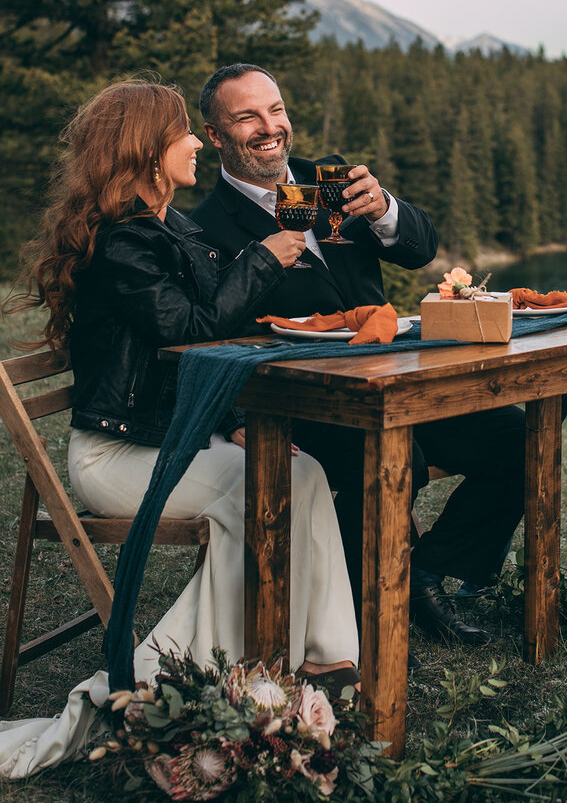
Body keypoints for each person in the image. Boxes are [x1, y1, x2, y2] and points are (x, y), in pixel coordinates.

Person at [0, 80, 359, 776]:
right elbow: (187, 331)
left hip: (176, 440)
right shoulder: (124, 243)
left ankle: (323, 660)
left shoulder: (172, 229)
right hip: (118, 457)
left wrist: (230, 426)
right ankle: (162, 688)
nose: (198, 142)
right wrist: (266, 257)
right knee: (263, 493)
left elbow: (196, 352)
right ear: (151, 150)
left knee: (299, 471)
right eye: (186, 132)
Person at [191, 64, 561, 648]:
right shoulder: (203, 226)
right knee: (395, 456)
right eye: (248, 117)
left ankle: (426, 572)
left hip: (403, 378)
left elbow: (423, 247)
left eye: (277, 110)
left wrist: (386, 208)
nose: (270, 127)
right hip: (312, 403)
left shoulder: (332, 179)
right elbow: (205, 336)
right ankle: (364, 602)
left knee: (524, 437)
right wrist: (232, 419)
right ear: (215, 135)